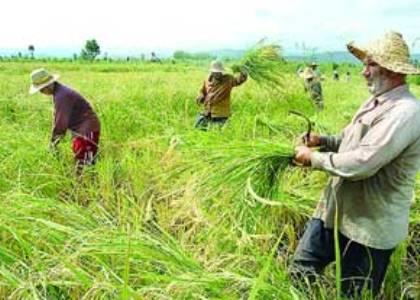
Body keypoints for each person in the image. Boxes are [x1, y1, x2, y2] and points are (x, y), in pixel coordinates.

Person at [291, 31, 420, 298]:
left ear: (392, 69)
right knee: (300, 273)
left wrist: (312, 158)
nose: (364, 72)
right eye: (365, 64)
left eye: (371, 64)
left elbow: (363, 162)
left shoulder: (406, 112)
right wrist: (322, 140)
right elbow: (353, 143)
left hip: (370, 225)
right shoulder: (373, 102)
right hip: (335, 210)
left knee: (354, 293)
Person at [29, 68, 101, 172]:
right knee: (84, 160)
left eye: (41, 89)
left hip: (86, 130)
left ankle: (84, 186)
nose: (41, 92)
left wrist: (53, 142)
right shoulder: (59, 92)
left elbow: (61, 123)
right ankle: (88, 184)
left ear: (47, 86)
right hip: (82, 130)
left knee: (83, 164)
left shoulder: (62, 96)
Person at [195, 60, 248, 130]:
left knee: (218, 132)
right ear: (212, 72)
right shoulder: (207, 80)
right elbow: (203, 91)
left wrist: (243, 74)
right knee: (199, 129)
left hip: (221, 114)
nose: (218, 74)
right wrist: (201, 96)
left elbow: (239, 80)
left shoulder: (228, 79)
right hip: (207, 111)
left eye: (219, 72)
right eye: (215, 72)